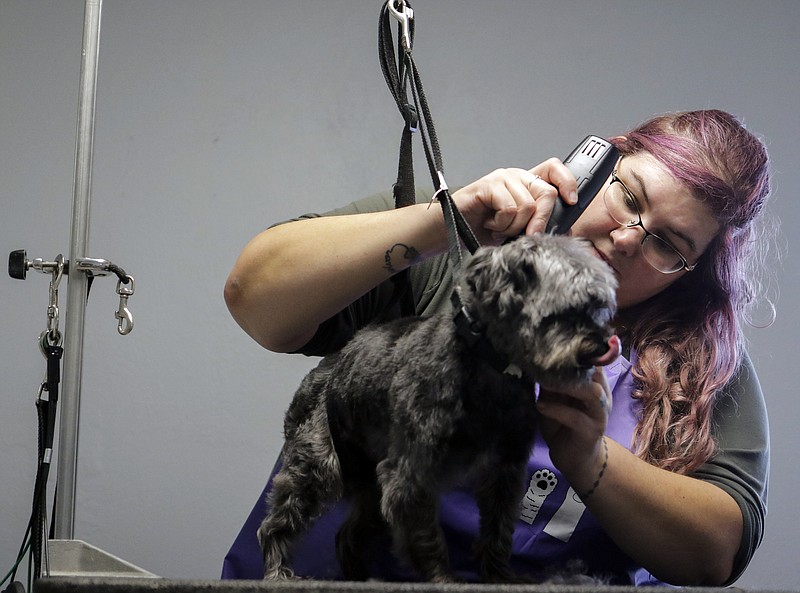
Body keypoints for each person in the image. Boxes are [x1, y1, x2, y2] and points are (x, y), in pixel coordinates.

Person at [221, 110, 772, 586]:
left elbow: (717, 553)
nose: (627, 237)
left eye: (666, 244)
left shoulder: (699, 364)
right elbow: (256, 299)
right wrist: (443, 221)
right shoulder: (447, 241)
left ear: (692, 274)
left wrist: (592, 461)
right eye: (628, 195)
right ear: (593, 166)